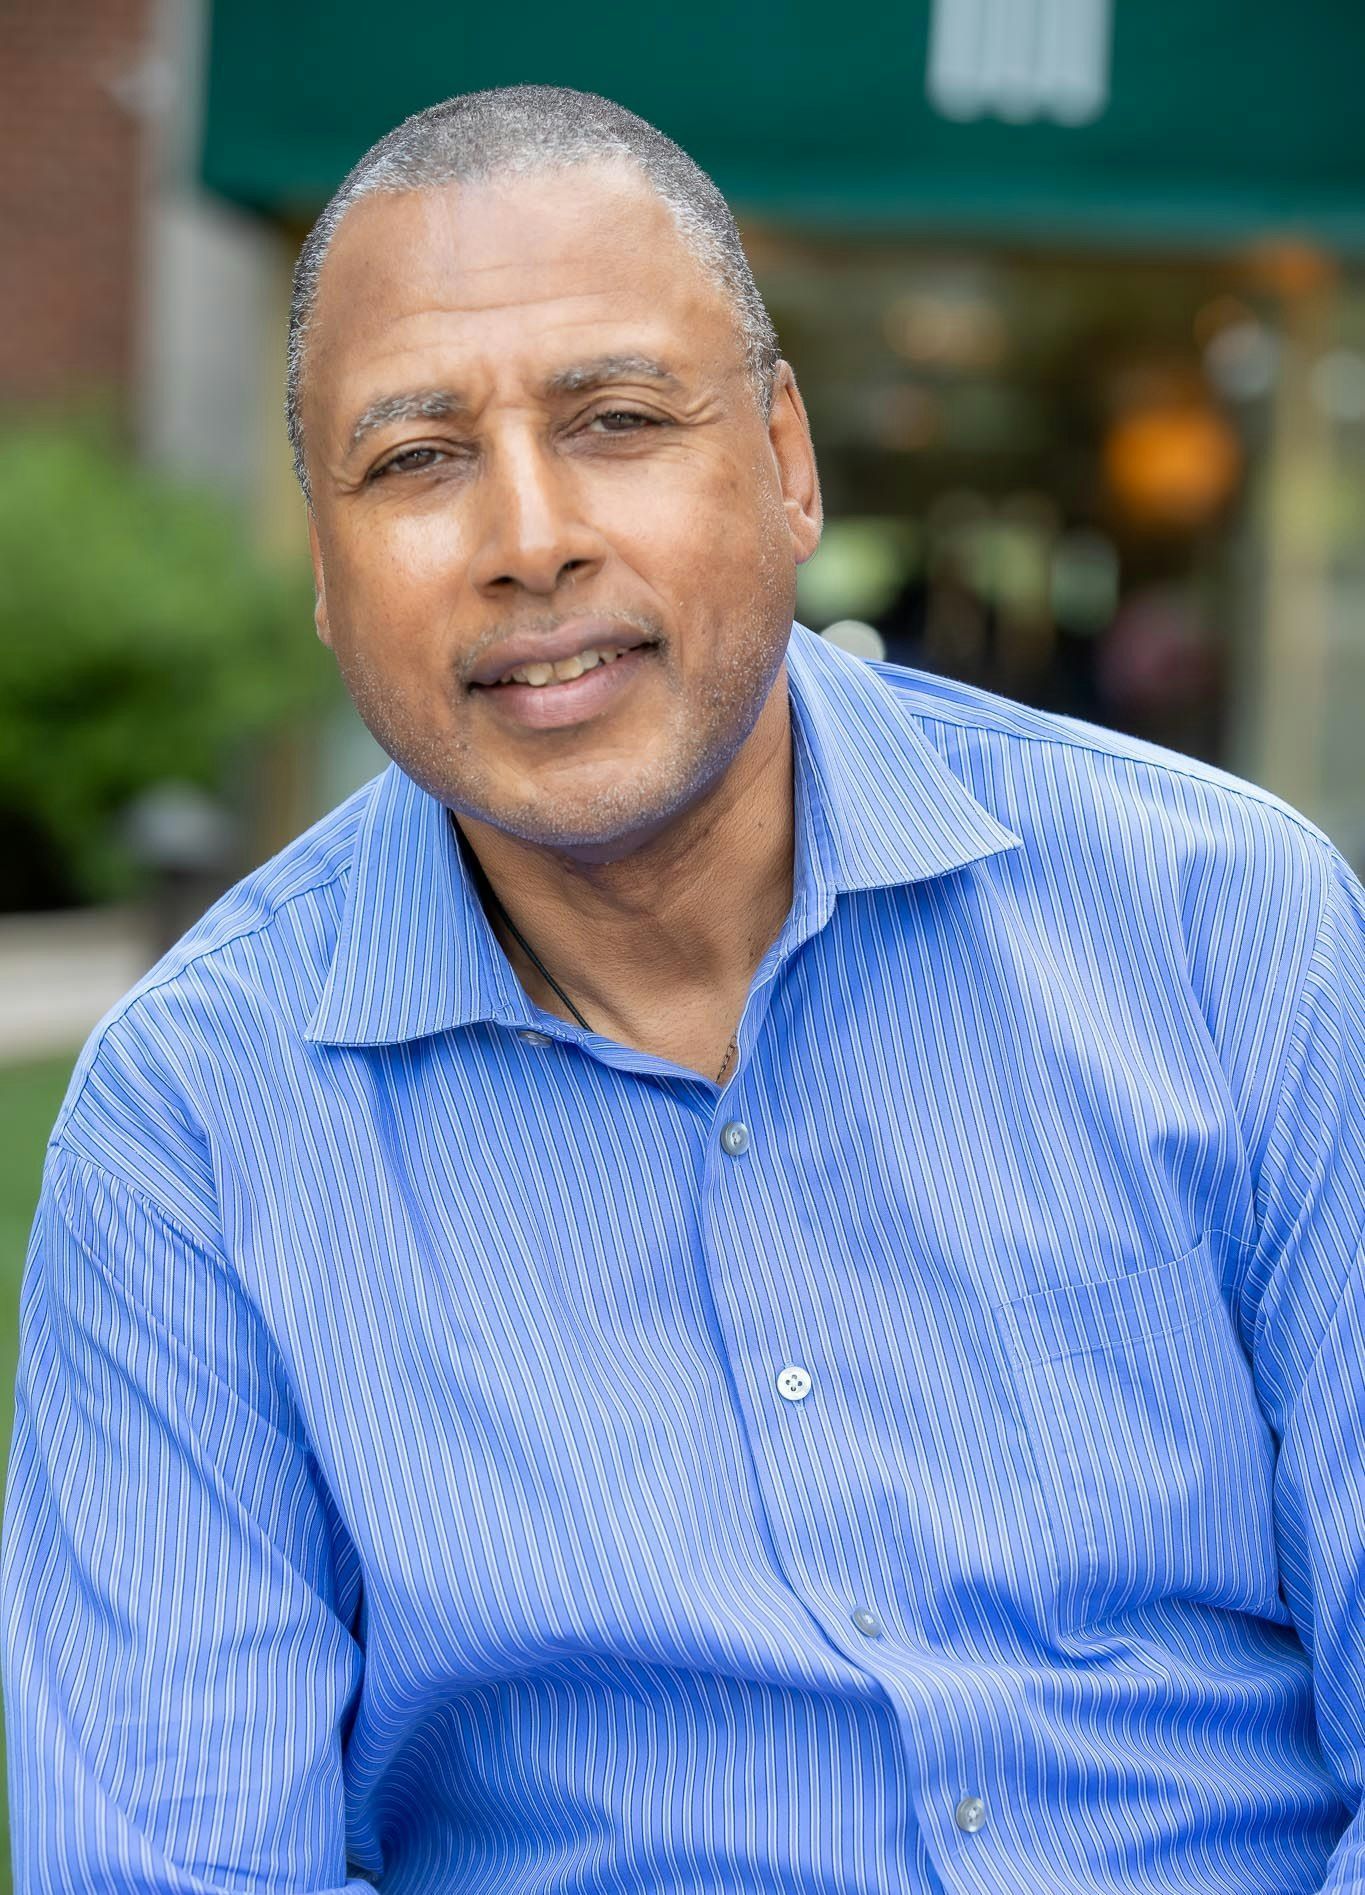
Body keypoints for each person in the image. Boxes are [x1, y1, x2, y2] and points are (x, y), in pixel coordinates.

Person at [3, 84, 1363, 1895]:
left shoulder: (1225, 930)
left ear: (788, 464)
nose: (530, 536)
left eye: (618, 419)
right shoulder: (194, 1131)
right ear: (324, 573)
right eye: (413, 462)